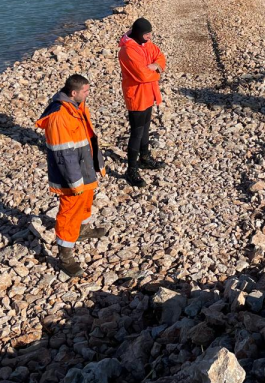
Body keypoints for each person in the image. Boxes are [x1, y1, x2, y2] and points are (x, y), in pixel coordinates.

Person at [34, 74, 106, 277]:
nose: (88, 93)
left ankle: (82, 230)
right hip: (71, 175)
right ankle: (65, 255)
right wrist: (74, 182)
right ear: (73, 93)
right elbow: (63, 153)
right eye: (86, 91)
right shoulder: (59, 116)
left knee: (86, 200)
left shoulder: (77, 107)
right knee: (69, 211)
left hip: (84, 167)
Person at [118, 17, 167, 187]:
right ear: (139, 34)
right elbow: (142, 75)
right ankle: (131, 170)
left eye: (150, 34)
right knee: (137, 132)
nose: (150, 37)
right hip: (137, 96)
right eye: (147, 34)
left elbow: (160, 56)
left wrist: (156, 66)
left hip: (148, 93)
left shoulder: (145, 44)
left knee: (146, 127)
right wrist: (156, 71)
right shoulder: (127, 51)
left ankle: (145, 158)